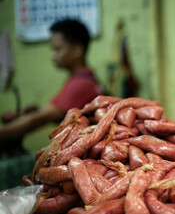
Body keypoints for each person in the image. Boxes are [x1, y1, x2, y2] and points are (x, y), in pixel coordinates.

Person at [0, 19, 104, 149]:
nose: (52, 56)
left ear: (77, 50)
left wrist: (3, 132)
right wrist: (40, 112)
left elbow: (38, 119)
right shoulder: (85, 77)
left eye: (57, 49)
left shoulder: (81, 84)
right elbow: (68, 115)